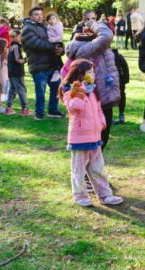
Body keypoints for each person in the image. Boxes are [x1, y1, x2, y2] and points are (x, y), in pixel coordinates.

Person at [60, 59, 124, 207]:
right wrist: (81, 90)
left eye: (93, 72)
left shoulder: (93, 90)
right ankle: (81, 196)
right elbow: (76, 107)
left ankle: (105, 195)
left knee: (97, 168)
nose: (93, 75)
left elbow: (98, 108)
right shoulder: (70, 91)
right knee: (79, 170)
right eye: (89, 72)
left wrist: (102, 122)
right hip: (79, 137)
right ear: (80, 74)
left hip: (94, 136)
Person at [65, 18, 121, 149]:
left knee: (103, 134)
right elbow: (107, 35)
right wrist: (92, 22)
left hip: (103, 94)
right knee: (97, 137)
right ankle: (89, 167)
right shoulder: (87, 47)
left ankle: (94, 165)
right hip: (95, 97)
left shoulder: (95, 45)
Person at [21, 7, 65, 121]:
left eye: (41, 14)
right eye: (36, 14)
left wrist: (61, 48)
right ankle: (39, 113)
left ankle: (53, 110)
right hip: (38, 66)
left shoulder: (46, 27)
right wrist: (53, 47)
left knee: (56, 89)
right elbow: (36, 43)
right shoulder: (27, 29)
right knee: (40, 92)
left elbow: (57, 39)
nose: (40, 16)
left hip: (52, 65)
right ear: (31, 16)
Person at [5, 29, 30, 115]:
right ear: (15, 37)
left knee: (12, 89)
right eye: (20, 36)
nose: (21, 38)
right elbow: (18, 59)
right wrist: (27, 59)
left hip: (11, 72)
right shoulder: (15, 46)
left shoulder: (11, 46)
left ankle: (8, 108)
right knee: (22, 89)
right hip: (17, 72)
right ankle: (25, 109)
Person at [111, 48, 129, 125]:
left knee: (119, 96)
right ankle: (120, 114)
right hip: (117, 79)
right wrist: (125, 79)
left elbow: (125, 67)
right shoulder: (118, 56)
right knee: (120, 96)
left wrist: (125, 79)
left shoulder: (118, 56)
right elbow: (125, 67)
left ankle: (120, 114)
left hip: (116, 80)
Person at [46, 12, 66, 82]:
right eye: (50, 19)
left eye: (53, 19)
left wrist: (52, 40)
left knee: (54, 56)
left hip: (56, 43)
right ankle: (64, 69)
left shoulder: (58, 26)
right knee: (57, 58)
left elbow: (60, 36)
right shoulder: (48, 26)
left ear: (56, 19)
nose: (52, 21)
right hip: (52, 42)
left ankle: (56, 71)